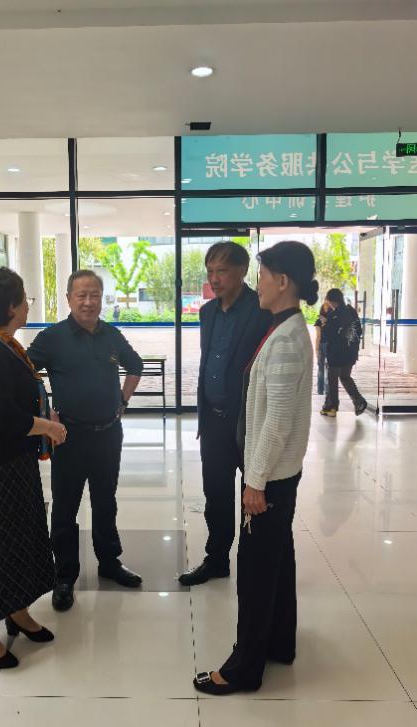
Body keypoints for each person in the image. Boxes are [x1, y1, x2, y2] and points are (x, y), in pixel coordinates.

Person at [193, 240, 317, 695]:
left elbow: (276, 421)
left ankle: (244, 668)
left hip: (272, 474)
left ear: (282, 282)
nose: (257, 284)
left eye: (262, 275)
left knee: (256, 572)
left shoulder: (284, 338)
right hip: (280, 471)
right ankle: (279, 642)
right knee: (277, 561)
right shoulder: (287, 327)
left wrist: (255, 481)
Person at [0, 267, 67, 670]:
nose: (28, 305)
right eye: (24, 298)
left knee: (22, 536)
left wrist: (43, 415)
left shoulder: (5, 344)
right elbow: (1, 417)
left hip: (15, 460)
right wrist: (48, 427)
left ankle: (17, 611)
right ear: (10, 307)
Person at [27, 270, 143, 613]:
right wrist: (45, 412)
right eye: (82, 295)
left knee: (106, 500)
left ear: (101, 298)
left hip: (108, 433)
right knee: (66, 505)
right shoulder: (52, 338)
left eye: (94, 295)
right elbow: (24, 372)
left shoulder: (111, 335)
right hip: (69, 436)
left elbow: (135, 365)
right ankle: (64, 576)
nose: (89, 302)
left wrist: (123, 401)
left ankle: (109, 562)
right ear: (69, 299)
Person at [179, 241, 271, 587]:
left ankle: (256, 562)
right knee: (216, 495)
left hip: (250, 422)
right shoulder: (207, 312)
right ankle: (216, 559)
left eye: (221, 271)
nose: (214, 278)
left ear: (242, 271)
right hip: (214, 421)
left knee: (256, 494)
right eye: (210, 271)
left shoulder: (262, 310)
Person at [320, 288, 367, 417]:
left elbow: (330, 336)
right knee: (345, 377)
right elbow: (358, 331)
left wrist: (324, 324)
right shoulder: (351, 311)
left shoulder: (333, 315)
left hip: (337, 354)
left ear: (332, 301)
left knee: (332, 379)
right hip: (351, 352)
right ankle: (359, 401)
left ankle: (331, 407)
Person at [314, 300, 330, 395]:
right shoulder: (333, 320)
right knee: (329, 368)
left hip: (322, 345)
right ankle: (328, 390)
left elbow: (318, 336)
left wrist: (316, 349)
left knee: (321, 368)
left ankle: (320, 390)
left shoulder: (318, 321)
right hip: (330, 345)